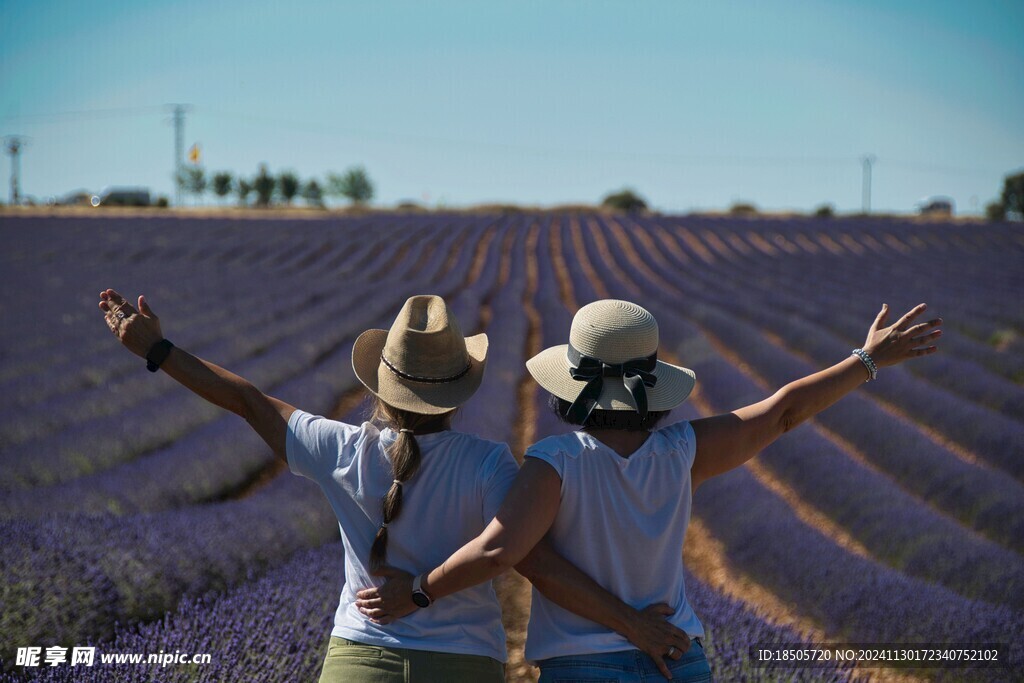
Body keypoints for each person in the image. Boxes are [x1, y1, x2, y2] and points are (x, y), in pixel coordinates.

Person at [97, 290, 693, 682]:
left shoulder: (340, 448)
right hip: (464, 664)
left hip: (361, 659)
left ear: (380, 384)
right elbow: (518, 552)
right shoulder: (490, 463)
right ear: (460, 386)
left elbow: (248, 402)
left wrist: (157, 349)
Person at [355, 299, 942, 682]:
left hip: (583, 665)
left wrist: (421, 593)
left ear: (568, 383)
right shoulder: (682, 451)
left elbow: (501, 552)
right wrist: (867, 359)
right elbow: (783, 411)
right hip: (678, 658)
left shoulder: (554, 462)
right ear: (653, 384)